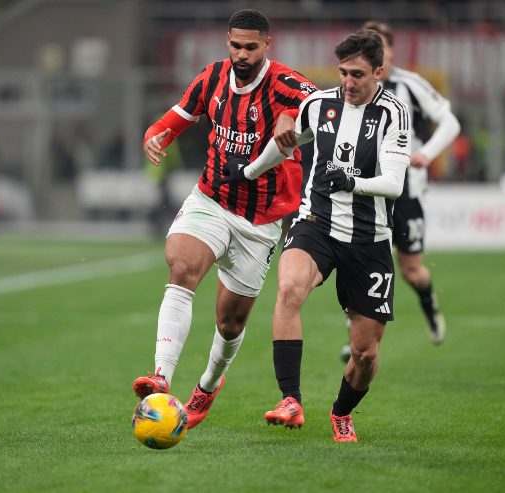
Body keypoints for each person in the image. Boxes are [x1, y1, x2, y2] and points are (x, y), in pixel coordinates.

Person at [133, 9, 318, 429]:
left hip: (261, 221)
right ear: (227, 42)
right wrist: (154, 135)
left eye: (251, 47)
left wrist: (294, 117)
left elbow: (326, 109)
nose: (242, 54)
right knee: (181, 266)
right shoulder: (212, 77)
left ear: (267, 45)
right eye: (236, 45)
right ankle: (161, 376)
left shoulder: (287, 84)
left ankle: (208, 386)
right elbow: (175, 119)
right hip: (211, 199)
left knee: (230, 322)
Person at [222, 30, 411, 442]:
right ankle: (290, 399)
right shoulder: (319, 104)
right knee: (289, 289)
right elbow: (286, 143)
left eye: (357, 74)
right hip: (316, 223)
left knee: (365, 354)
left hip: (370, 238)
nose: (348, 82)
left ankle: (341, 412)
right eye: (343, 72)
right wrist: (248, 171)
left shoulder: (393, 113)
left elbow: (395, 184)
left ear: (378, 72)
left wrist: (352, 182)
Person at [337, 21, 460, 361]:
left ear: (389, 52)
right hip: (366, 189)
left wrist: (427, 154)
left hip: (406, 190)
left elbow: (450, 122)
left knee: (411, 270)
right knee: (357, 263)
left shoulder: (409, 84)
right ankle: (356, 339)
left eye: (381, 47)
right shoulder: (350, 88)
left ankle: (429, 305)